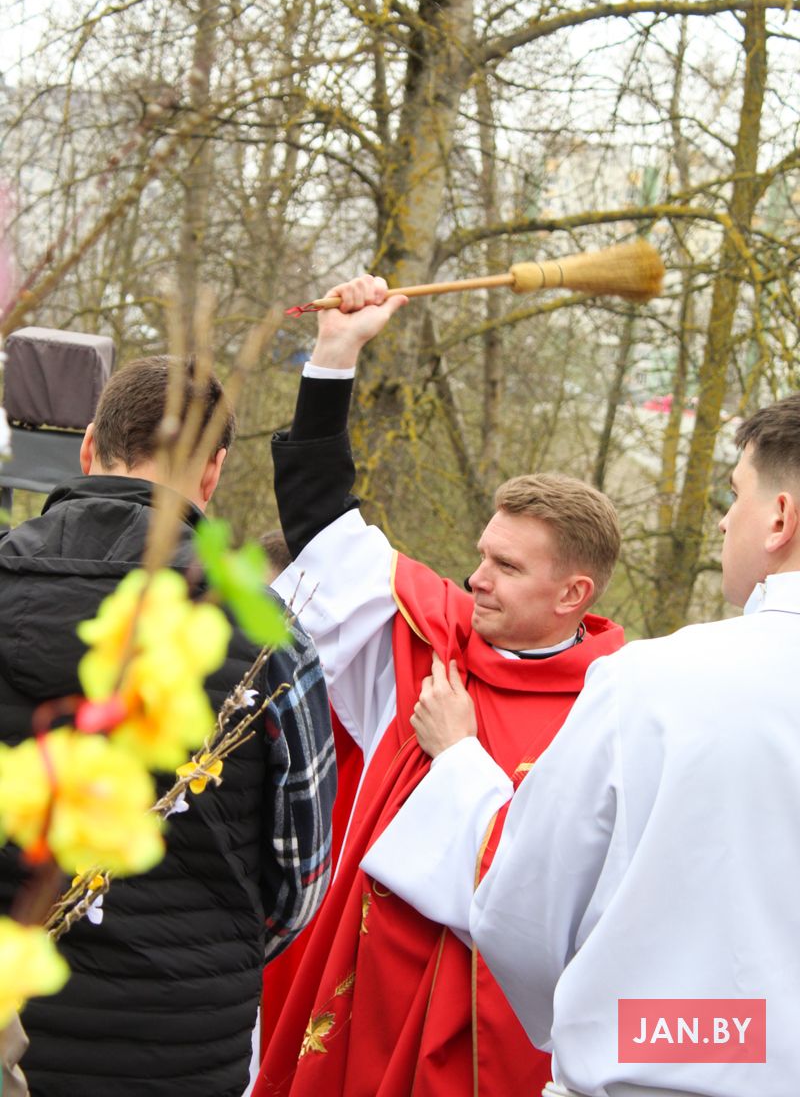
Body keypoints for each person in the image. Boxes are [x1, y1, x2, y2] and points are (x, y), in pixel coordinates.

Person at [366, 393, 800, 1097]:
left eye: (736, 493)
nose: (725, 520)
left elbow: (523, 909)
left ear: (779, 518)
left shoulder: (652, 681)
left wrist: (460, 764)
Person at [256, 276, 626, 1097]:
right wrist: (335, 354)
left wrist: (458, 757)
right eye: (483, 553)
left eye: (506, 567)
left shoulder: (622, 708)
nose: (476, 577)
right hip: (365, 1006)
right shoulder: (429, 635)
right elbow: (322, 522)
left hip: (500, 1047)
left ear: (573, 594)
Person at [0, 355, 337, 1097]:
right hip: (180, 1039)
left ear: (89, 446)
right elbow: (301, 878)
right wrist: (212, 951)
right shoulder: (264, 634)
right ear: (213, 472)